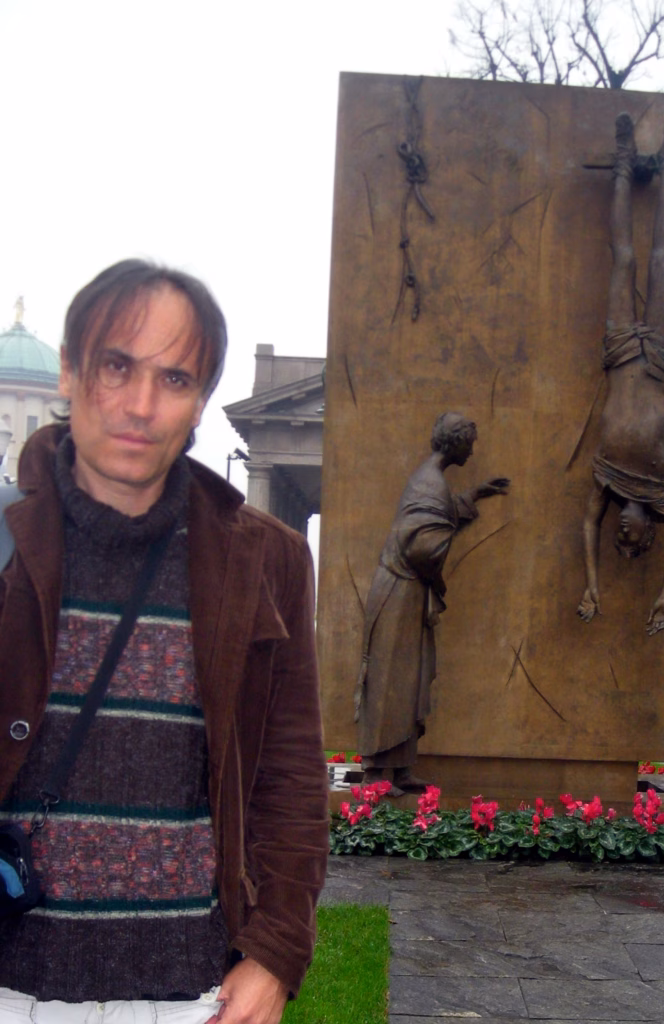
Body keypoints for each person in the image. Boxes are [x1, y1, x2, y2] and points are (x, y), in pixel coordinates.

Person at [0, 260, 328, 1023]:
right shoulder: (4, 541)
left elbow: (289, 779)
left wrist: (276, 950)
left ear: (201, 400)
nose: (141, 405)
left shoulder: (267, 560)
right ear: (70, 371)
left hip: (189, 993)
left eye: (175, 379)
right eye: (117, 367)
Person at [354, 412, 508, 796]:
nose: (473, 451)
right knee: (391, 680)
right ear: (457, 443)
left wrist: (475, 494)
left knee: (410, 678)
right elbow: (420, 545)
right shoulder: (430, 482)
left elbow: (436, 515)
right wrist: (440, 557)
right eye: (470, 443)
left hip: (407, 592)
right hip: (399, 590)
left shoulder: (432, 482)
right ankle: (377, 774)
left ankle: (400, 768)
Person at [578, 112, 664, 637]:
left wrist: (592, 584)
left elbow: (587, 523)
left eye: (617, 536)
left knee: (623, 260)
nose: (622, 530)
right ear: (650, 535)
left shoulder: (607, 481)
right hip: (660, 361)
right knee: (662, 261)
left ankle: (623, 162)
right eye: (633, 537)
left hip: (622, 356)